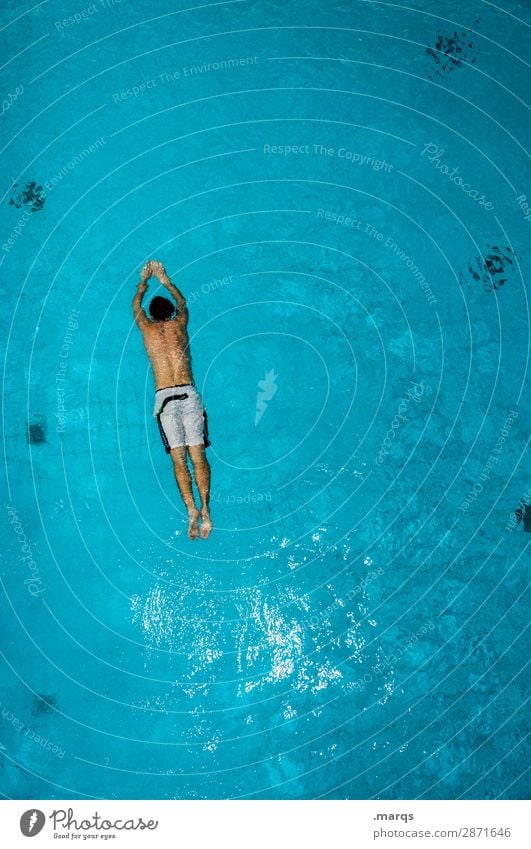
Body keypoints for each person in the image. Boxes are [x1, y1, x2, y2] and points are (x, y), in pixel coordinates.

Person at [133, 260, 212, 539]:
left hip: (164, 399)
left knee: (179, 460)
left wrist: (144, 281)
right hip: (188, 395)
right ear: (170, 313)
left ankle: (190, 510)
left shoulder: (147, 329)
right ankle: (205, 511)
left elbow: (135, 307)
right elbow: (182, 301)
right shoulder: (180, 324)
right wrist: (165, 279)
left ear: (152, 316)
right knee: (198, 456)